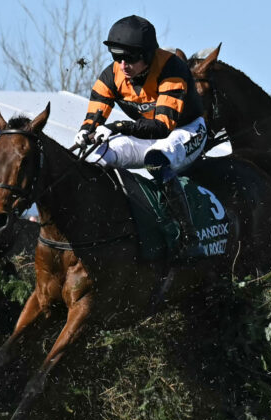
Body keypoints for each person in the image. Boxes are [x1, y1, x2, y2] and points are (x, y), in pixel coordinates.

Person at [74, 15, 207, 260]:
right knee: (96, 159)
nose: (123, 65)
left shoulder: (172, 69)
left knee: (156, 159)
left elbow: (162, 127)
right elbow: (95, 112)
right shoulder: (111, 74)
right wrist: (86, 130)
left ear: (148, 54)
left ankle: (189, 238)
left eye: (131, 57)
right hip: (143, 131)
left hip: (185, 130)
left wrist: (117, 126)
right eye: (117, 56)